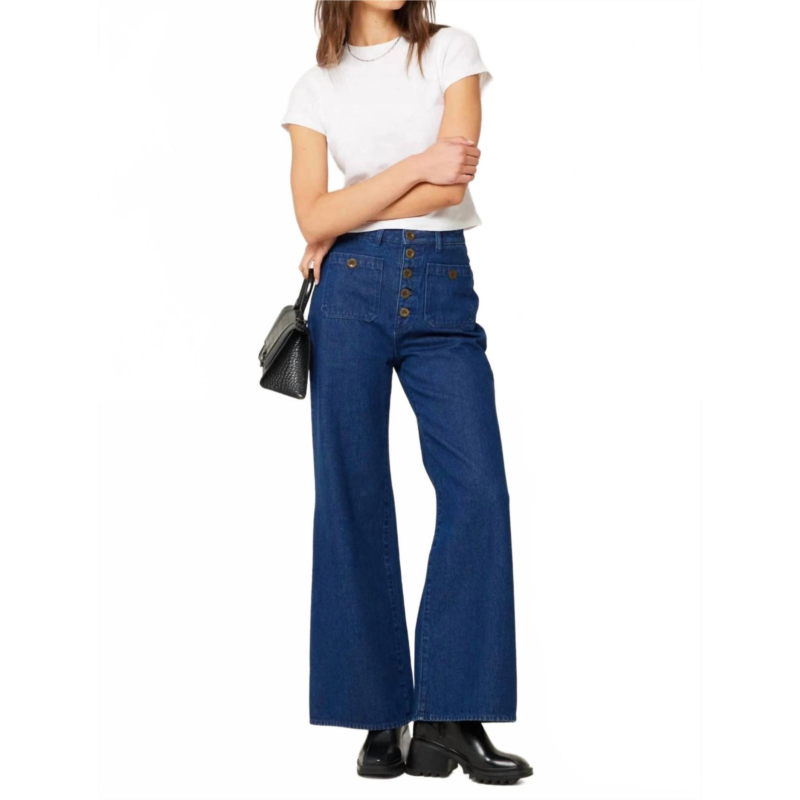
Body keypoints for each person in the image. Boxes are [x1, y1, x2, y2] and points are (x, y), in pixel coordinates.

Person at [281, 0, 532, 784]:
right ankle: (379, 714)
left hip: (441, 289)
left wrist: (347, 211)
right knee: (352, 495)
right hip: (347, 296)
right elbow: (309, 214)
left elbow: (449, 185)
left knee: (479, 491)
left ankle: (451, 715)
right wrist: (412, 167)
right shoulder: (314, 88)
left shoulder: (451, 51)